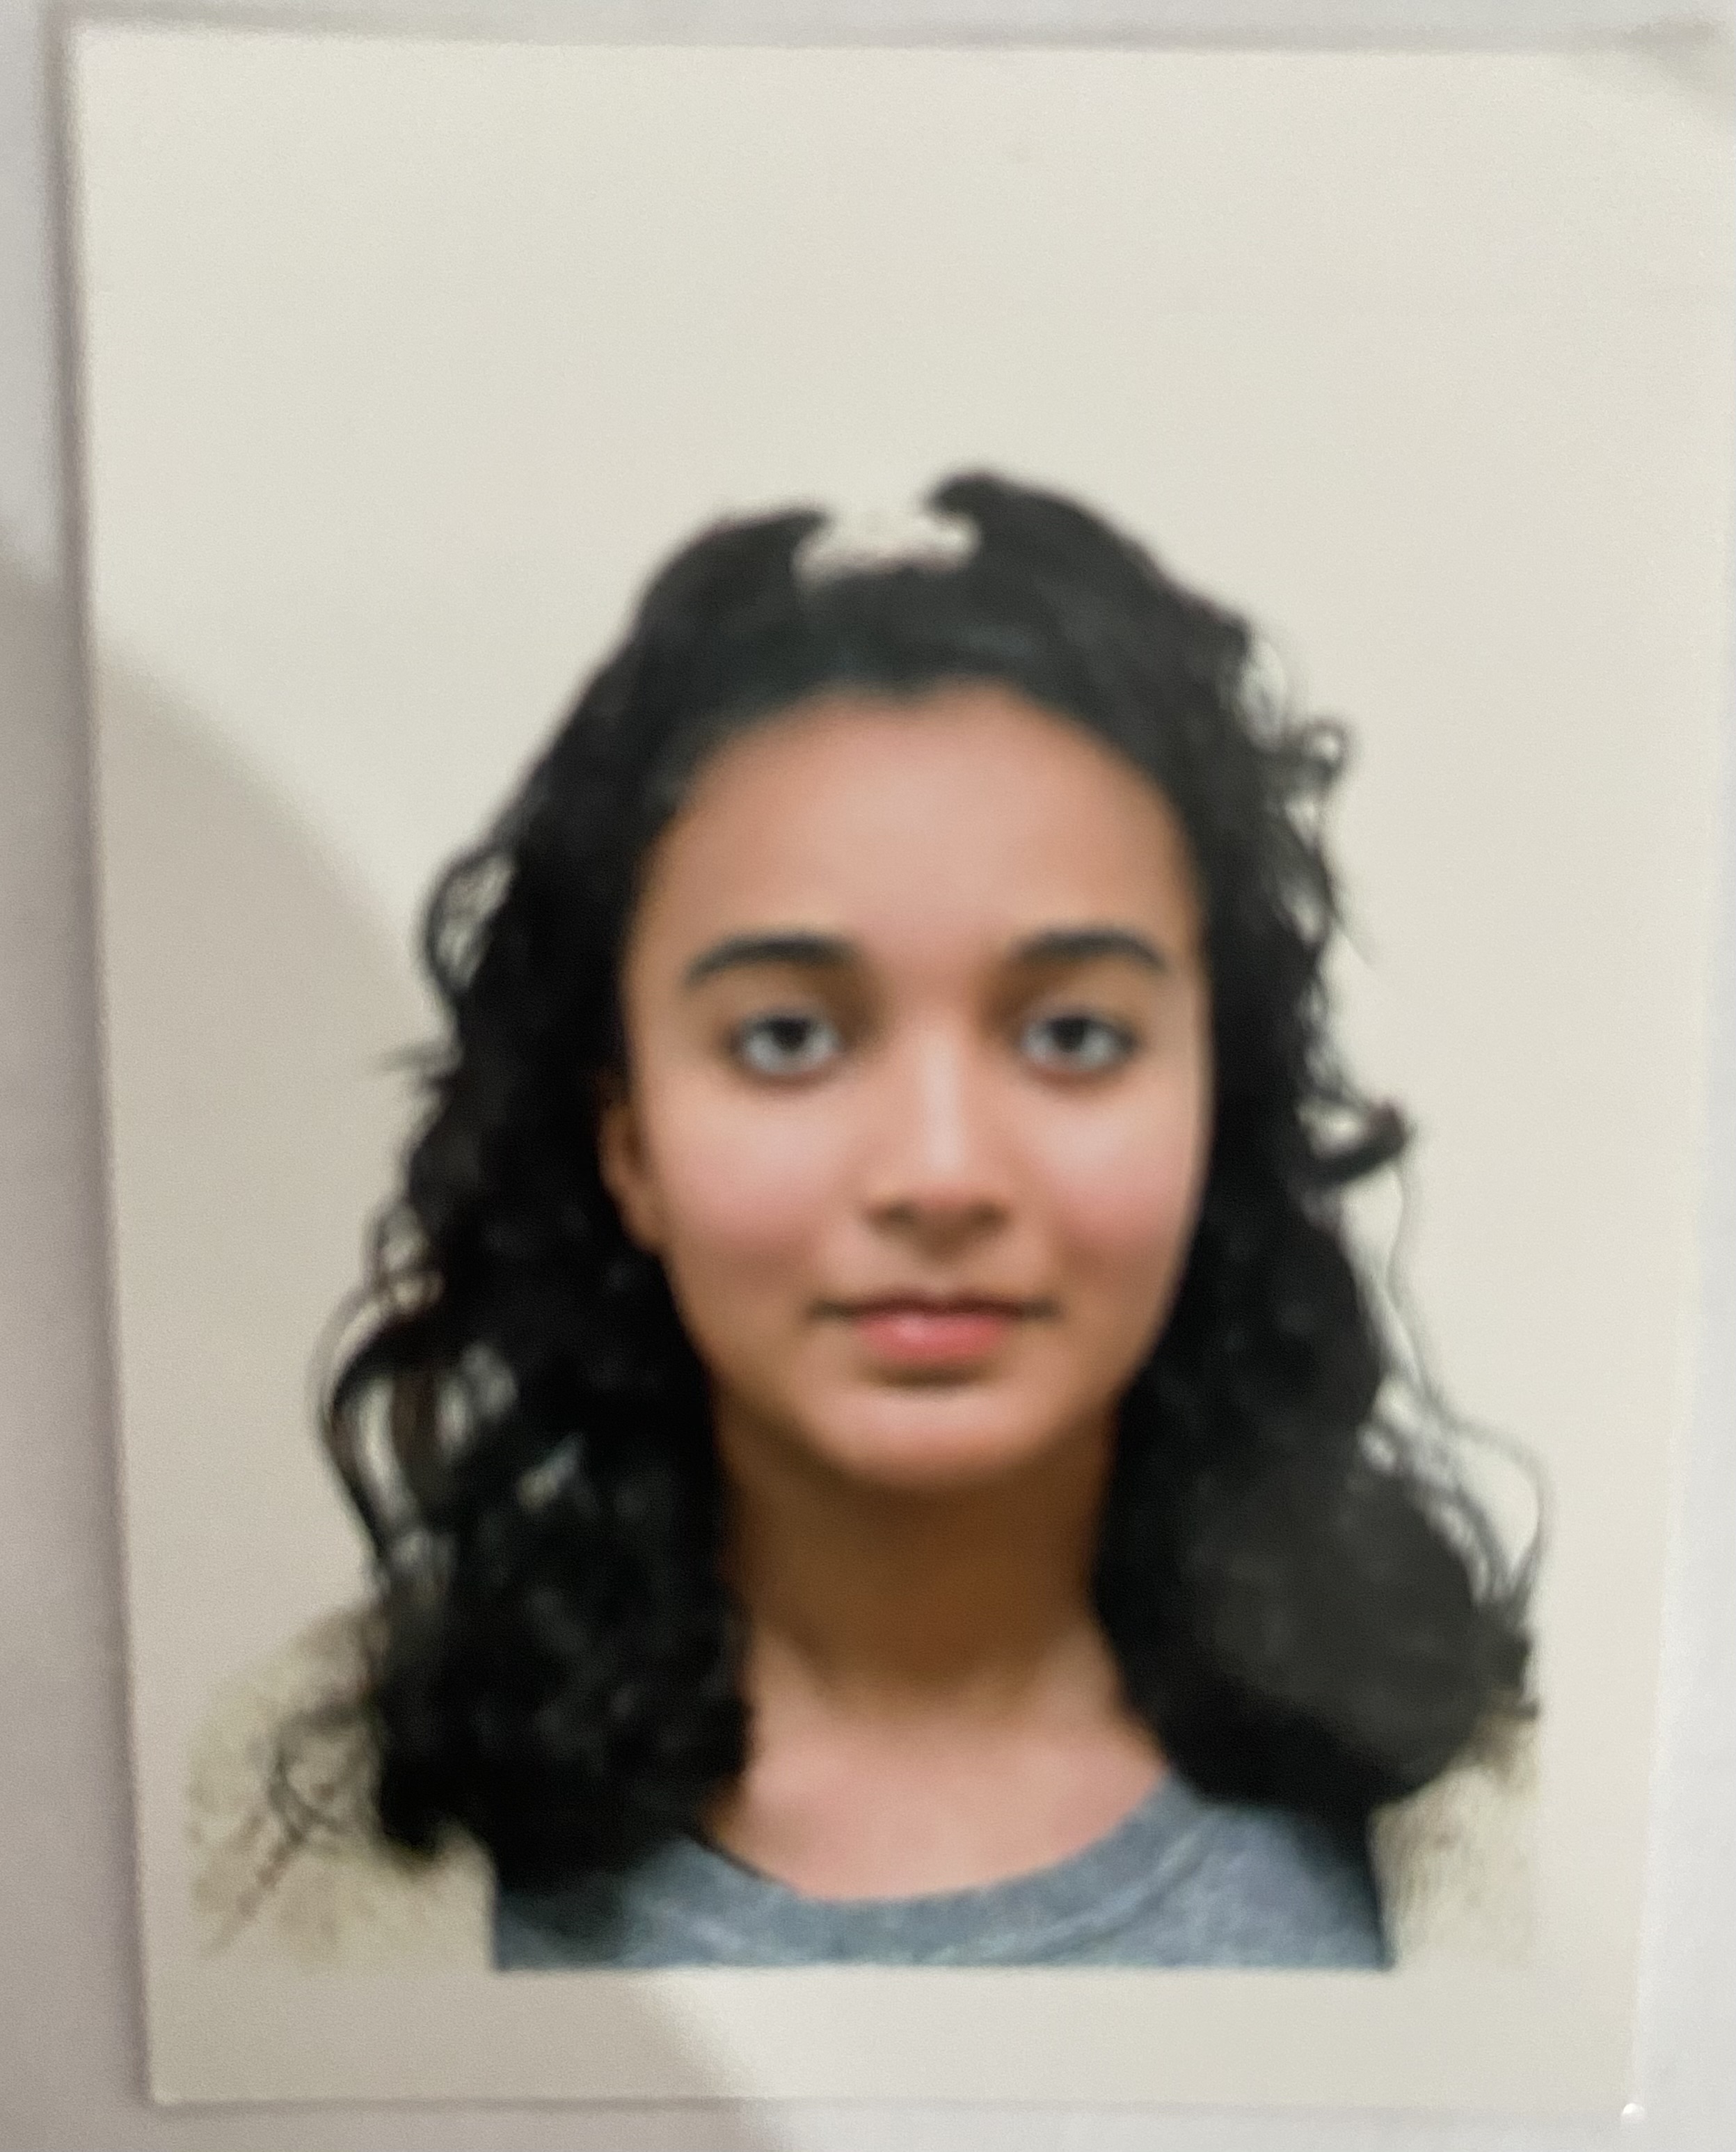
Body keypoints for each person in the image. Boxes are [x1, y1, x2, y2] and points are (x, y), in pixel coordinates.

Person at [191, 472, 1535, 1971]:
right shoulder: (267, 1854)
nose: (940, 1176)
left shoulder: (1502, 1833)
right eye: (788, 1039)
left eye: (1074, 1035)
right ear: (625, 1138)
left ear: (1213, 1101)